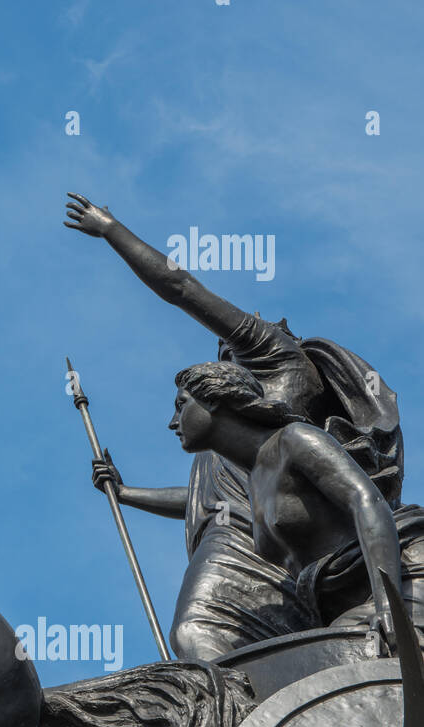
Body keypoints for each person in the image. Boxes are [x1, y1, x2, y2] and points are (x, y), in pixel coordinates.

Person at [66, 193, 403, 659]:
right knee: (202, 643)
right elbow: (208, 502)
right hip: (261, 539)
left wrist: (111, 230)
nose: (232, 334)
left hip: (286, 543)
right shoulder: (224, 435)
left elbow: (182, 287)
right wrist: (127, 495)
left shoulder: (278, 363)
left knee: (204, 637)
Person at [166, 361, 424, 638]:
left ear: (215, 400)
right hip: (344, 608)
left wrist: (388, 604)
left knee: (341, 656)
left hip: (405, 580)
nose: (173, 422)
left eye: (181, 404)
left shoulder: (294, 440)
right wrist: (123, 493)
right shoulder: (253, 479)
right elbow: (198, 503)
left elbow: (367, 502)